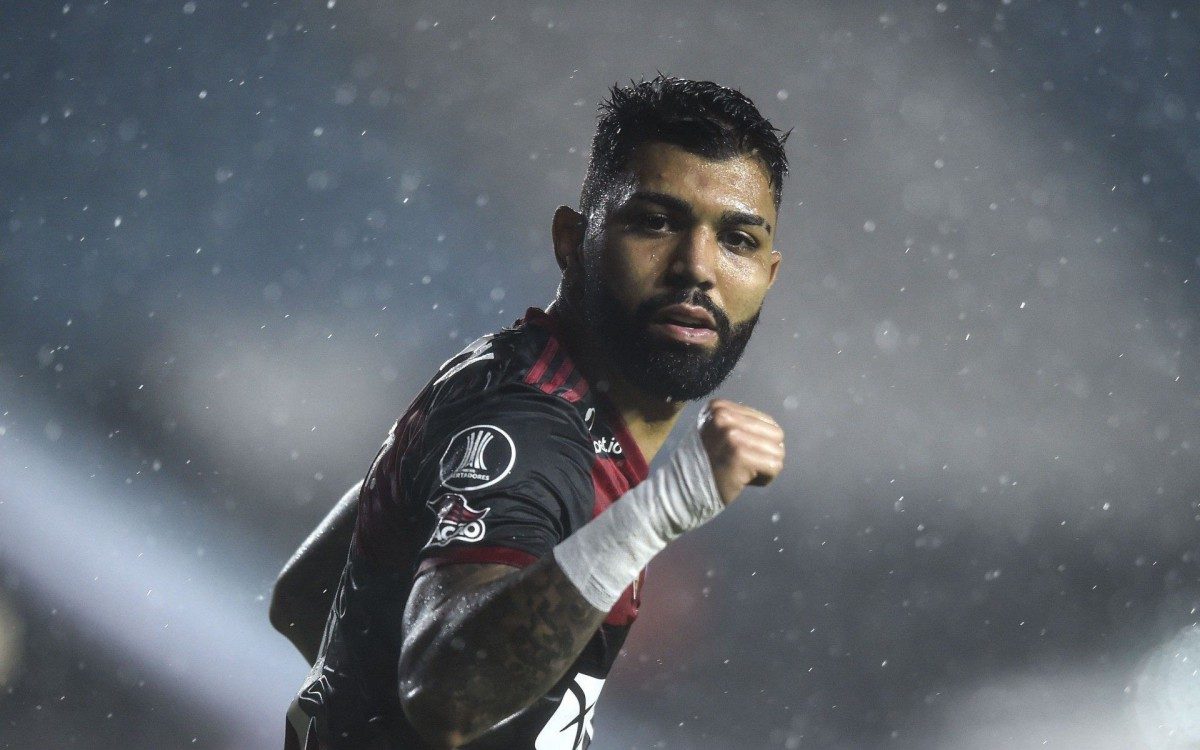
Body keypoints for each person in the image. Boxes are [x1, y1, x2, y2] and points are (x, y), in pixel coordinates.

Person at [270, 74, 790, 750]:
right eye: (655, 222)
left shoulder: (524, 382)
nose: (697, 267)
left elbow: (310, 597)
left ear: (768, 275)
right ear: (572, 241)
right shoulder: (530, 429)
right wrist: (668, 507)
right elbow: (447, 696)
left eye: (737, 241)